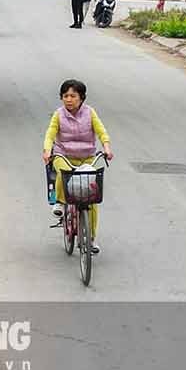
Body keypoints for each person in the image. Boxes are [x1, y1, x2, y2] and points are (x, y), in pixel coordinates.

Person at [42, 78, 113, 253]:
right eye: (65, 96)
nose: (69, 99)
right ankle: (59, 202)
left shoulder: (90, 113)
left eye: (73, 96)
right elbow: (50, 134)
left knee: (92, 198)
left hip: (87, 158)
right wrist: (47, 150)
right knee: (62, 171)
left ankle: (90, 239)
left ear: (81, 98)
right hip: (63, 155)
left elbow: (101, 131)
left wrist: (107, 147)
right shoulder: (59, 115)